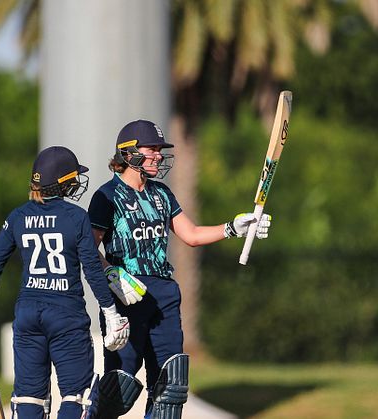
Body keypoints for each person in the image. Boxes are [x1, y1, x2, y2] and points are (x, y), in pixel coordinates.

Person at [87, 119, 272, 418]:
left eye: (160, 149)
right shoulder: (106, 196)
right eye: (152, 149)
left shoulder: (161, 194)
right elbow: (88, 249)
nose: (159, 155)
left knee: (169, 388)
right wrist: (111, 273)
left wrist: (233, 228)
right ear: (129, 152)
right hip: (127, 296)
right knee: (118, 390)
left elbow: (192, 235)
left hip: (165, 297)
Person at [0, 146, 131, 419]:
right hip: (66, 316)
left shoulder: (17, 216)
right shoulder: (76, 217)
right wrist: (110, 312)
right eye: (73, 178)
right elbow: (92, 269)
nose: (76, 183)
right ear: (63, 182)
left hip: (27, 316)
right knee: (78, 397)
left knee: (29, 400)